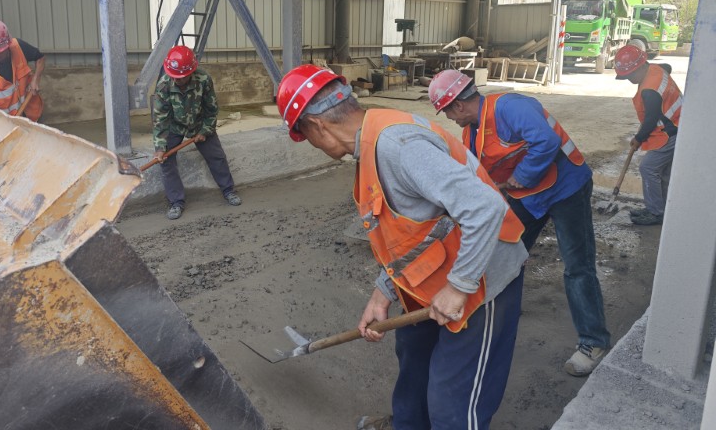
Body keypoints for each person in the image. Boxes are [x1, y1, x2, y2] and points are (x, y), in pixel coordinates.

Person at [276, 65, 528, 430]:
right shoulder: (371, 145)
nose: (312, 145)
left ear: (316, 126)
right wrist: (382, 293)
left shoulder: (398, 146)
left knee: (452, 406)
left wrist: (459, 286)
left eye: (305, 136)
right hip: (432, 282)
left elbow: (484, 208)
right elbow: (411, 230)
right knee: (414, 366)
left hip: (481, 280)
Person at [429, 70, 610, 377]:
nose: (448, 118)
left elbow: (546, 141)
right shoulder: (471, 133)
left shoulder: (510, 107)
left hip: (566, 188)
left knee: (577, 265)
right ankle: (501, 313)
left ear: (458, 105)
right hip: (528, 197)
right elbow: (479, 177)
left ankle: (594, 342)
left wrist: (521, 176)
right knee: (507, 254)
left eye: (446, 111)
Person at [152, 45, 241, 220]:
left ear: (190, 72)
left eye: (182, 77)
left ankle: (228, 190)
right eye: (174, 77)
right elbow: (160, 119)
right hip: (174, 126)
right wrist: (160, 147)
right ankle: (176, 202)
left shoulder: (203, 79)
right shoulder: (163, 85)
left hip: (199, 124)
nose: (178, 80)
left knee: (216, 156)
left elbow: (211, 109)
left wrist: (206, 130)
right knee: (166, 161)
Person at [614, 44, 683, 225]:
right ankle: (659, 208)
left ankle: (655, 212)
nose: (628, 79)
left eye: (629, 75)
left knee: (648, 168)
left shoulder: (649, 91)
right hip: (679, 124)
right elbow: (668, 67)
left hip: (669, 132)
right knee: (663, 172)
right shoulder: (656, 69)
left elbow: (651, 119)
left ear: (640, 67)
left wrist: (638, 138)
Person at [0, 18, 44, 122]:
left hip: (31, 113)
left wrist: (35, 79)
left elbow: (40, 58)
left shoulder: (19, 47)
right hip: (6, 124)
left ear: (7, 46)